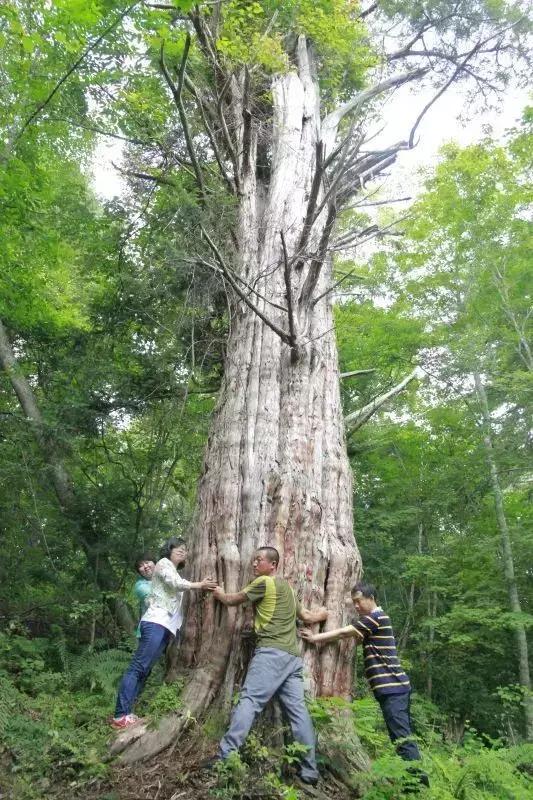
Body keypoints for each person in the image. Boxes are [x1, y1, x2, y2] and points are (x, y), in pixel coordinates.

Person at [208, 546, 328, 788]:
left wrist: (218, 592)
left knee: (250, 701)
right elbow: (306, 616)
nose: (254, 564)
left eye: (259, 560)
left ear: (272, 565)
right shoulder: (289, 589)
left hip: (271, 654)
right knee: (298, 712)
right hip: (292, 658)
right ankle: (309, 770)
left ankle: (225, 756)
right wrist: (323, 613)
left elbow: (232, 600)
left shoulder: (264, 582)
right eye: (253, 560)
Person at [301, 582, 429, 787]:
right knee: (400, 735)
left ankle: (417, 786)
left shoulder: (377, 617)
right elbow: (360, 637)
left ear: (371, 598)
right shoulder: (374, 622)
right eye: (354, 603)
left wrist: (315, 638)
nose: (357, 606)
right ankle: (414, 782)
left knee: (401, 736)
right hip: (392, 689)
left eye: (359, 601)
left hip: (393, 688)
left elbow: (344, 633)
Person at [111, 537, 217, 729]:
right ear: (168, 549)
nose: (182, 551)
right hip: (155, 622)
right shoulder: (164, 564)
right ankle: (120, 715)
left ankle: (128, 713)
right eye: (177, 548)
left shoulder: (173, 570)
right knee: (138, 666)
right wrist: (200, 584)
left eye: (185, 549)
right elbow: (175, 583)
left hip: (165, 626)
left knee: (145, 669)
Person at [133, 554, 155, 638]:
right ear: (139, 572)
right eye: (141, 566)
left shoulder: (167, 578)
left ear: (155, 564)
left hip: (170, 627)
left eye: (147, 562)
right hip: (150, 629)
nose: (145, 566)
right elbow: (153, 602)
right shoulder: (140, 585)